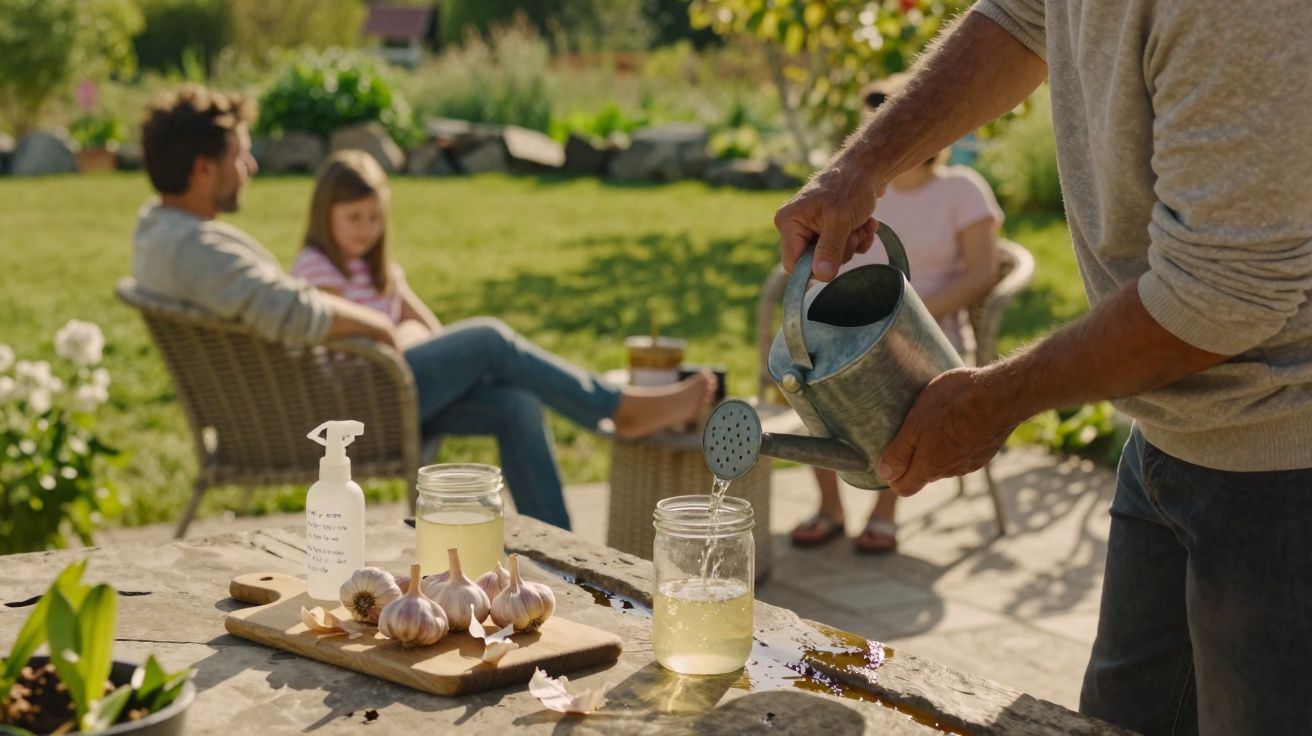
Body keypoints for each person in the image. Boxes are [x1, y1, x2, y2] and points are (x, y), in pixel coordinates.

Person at [773, 2, 1312, 733]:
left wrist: (994, 399)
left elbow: (1223, 294)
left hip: (1284, 464)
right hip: (1169, 435)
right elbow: (1020, 18)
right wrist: (862, 165)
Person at [132, 86, 715, 531]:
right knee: (488, 339)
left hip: (323, 395)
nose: (251, 168)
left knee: (514, 404)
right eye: (241, 156)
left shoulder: (164, 233)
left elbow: (281, 306)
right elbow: (292, 311)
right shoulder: (195, 247)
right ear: (203, 168)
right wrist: (383, 327)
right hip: (338, 406)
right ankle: (618, 409)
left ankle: (563, 557)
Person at [791, 78, 1003, 553]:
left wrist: (905, 316)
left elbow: (983, 272)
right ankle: (831, 507)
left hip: (930, 334)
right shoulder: (863, 199)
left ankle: (884, 511)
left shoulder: (962, 190)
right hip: (855, 330)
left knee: (887, 385)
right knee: (809, 377)